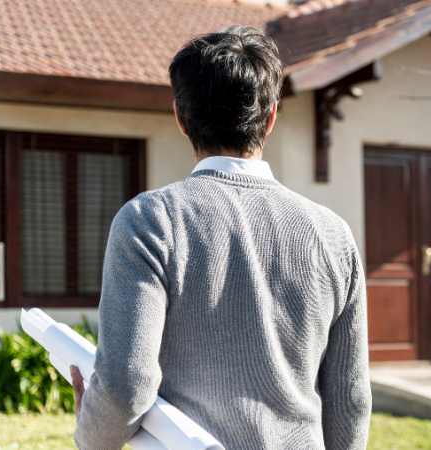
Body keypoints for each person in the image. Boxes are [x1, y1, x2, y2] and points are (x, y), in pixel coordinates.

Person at [69, 26, 371, 450]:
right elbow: (351, 401)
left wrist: (89, 433)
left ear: (180, 117)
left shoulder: (150, 221)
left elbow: (125, 383)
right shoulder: (333, 236)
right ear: (270, 118)